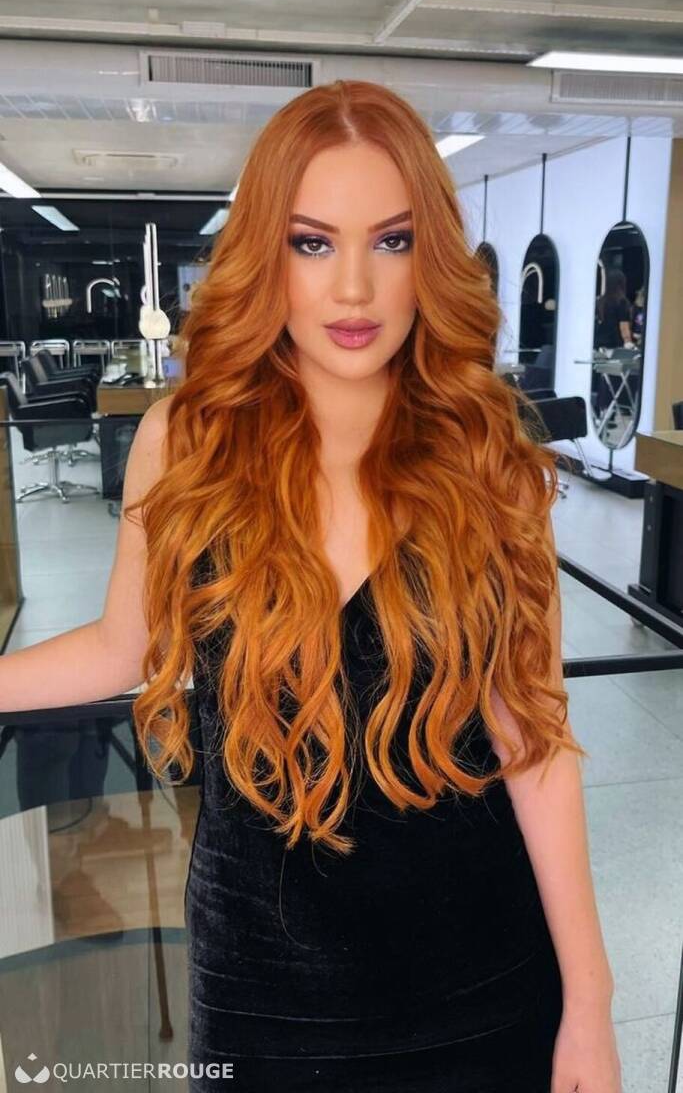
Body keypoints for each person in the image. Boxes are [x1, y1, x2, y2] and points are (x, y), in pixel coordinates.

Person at [0, 79, 622, 1093]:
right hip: (264, 998)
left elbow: (531, 734)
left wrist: (588, 1002)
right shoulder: (188, 441)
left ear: (429, 255)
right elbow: (124, 648)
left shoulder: (485, 455)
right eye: (312, 243)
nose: (354, 290)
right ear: (266, 255)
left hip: (481, 987)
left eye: (391, 240)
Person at [595, 269, 633, 348]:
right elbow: (624, 327)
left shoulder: (600, 301)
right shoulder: (622, 302)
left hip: (599, 342)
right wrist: (629, 343)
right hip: (614, 345)